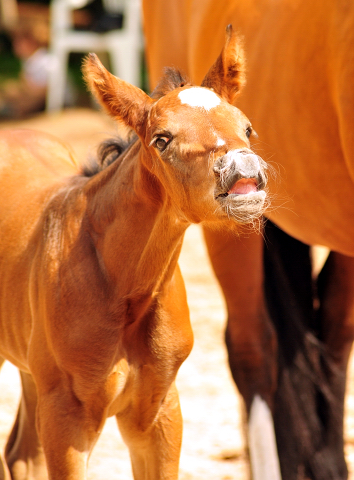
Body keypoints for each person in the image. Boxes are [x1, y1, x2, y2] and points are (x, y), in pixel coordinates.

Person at [0, 17, 52, 118]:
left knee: (16, 94)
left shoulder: (44, 61)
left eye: (18, 41)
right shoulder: (29, 60)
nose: (14, 44)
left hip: (51, 102)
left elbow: (43, 92)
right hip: (38, 98)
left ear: (31, 42)